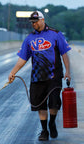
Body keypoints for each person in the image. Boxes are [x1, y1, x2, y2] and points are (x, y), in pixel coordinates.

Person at [8, 10, 71, 141]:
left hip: (54, 75)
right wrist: (13, 72)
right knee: (40, 105)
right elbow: (22, 59)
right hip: (37, 77)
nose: (33, 24)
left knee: (54, 104)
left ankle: (52, 123)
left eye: (35, 22)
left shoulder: (56, 34)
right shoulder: (29, 38)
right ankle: (44, 131)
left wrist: (68, 71)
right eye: (32, 22)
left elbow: (64, 53)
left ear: (42, 20)